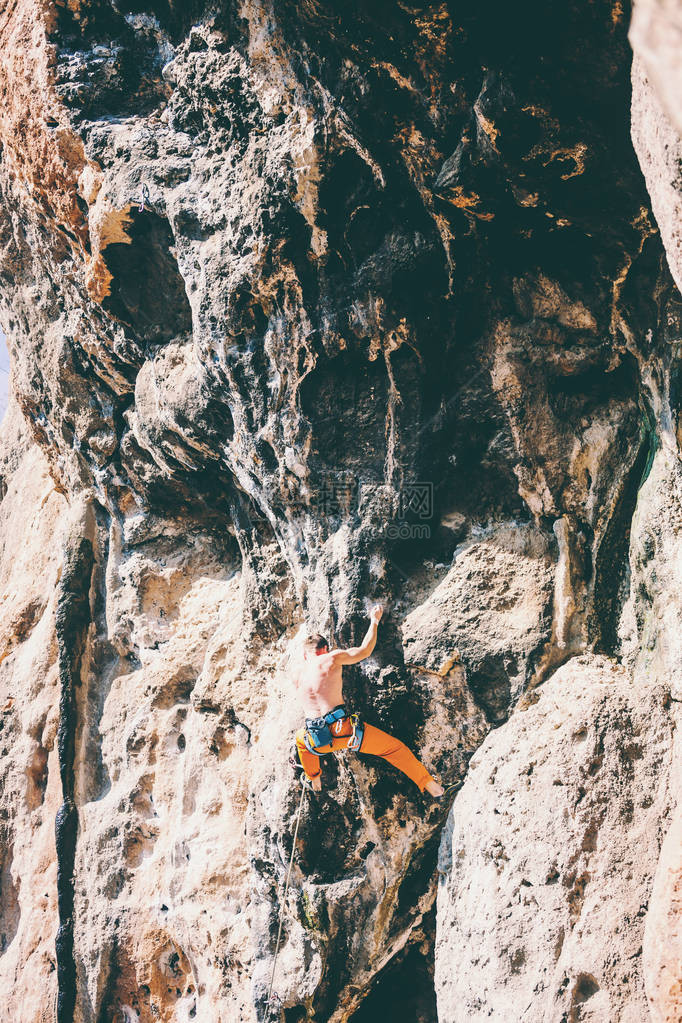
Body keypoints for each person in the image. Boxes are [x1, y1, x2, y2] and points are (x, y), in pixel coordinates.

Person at [293, 605, 444, 797]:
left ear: (306, 655)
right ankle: (434, 789)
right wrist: (375, 620)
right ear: (324, 649)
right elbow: (365, 650)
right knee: (394, 749)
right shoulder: (331, 658)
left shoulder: (297, 674)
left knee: (301, 740)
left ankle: (314, 778)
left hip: (317, 740)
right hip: (344, 732)